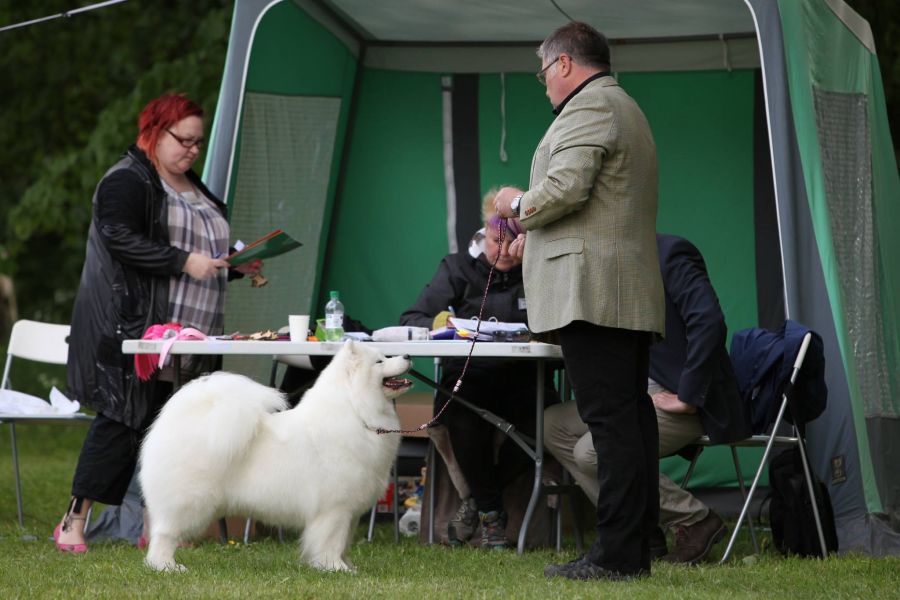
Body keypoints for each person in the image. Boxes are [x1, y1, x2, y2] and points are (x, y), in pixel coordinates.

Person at [493, 22, 665, 579]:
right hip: (618, 288)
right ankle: (637, 545)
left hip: (593, 292)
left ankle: (616, 556)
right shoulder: (623, 106)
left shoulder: (590, 107)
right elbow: (596, 206)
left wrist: (513, 203)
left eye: (543, 72)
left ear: (564, 64)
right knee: (630, 418)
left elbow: (565, 189)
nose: (544, 83)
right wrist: (537, 239)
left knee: (610, 422)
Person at [55, 93, 261, 553]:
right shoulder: (127, 180)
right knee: (122, 422)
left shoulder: (193, 184)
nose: (192, 150)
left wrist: (234, 265)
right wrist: (182, 261)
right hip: (140, 327)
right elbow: (119, 238)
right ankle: (73, 520)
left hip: (195, 331)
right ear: (153, 132)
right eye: (183, 140)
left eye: (198, 142)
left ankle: (158, 526)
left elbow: (202, 250)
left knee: (176, 430)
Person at [545, 233, 753, 565]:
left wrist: (688, 396)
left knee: (591, 452)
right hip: (634, 393)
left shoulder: (669, 253)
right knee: (552, 424)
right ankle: (642, 530)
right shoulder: (597, 262)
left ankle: (694, 519)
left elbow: (709, 320)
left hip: (686, 400)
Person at [399, 190, 553, 549]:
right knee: (463, 416)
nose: (504, 251)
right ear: (484, 233)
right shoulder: (457, 268)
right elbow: (412, 318)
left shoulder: (539, 271)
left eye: (513, 243)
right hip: (469, 377)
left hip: (526, 380)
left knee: (544, 423)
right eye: (497, 241)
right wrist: (444, 323)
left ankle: (479, 502)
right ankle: (491, 514)